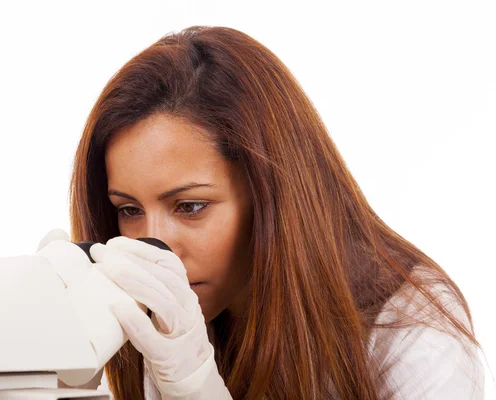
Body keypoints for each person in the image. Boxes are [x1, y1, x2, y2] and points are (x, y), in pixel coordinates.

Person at [61, 26, 485, 399]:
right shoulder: (171, 320)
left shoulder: (412, 331)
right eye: (129, 210)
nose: (158, 250)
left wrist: (196, 389)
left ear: (270, 193)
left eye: (190, 207)